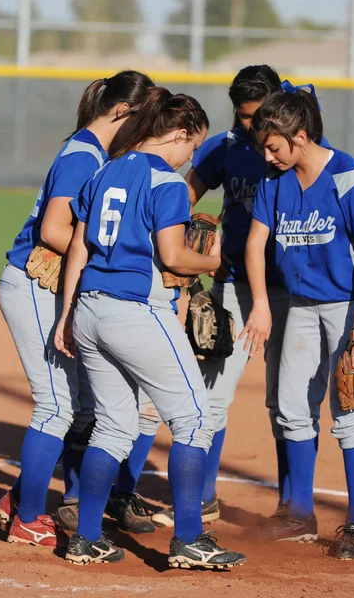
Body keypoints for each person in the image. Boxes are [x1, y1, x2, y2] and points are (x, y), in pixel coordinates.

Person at [109, 65, 329, 531]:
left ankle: (293, 507)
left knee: (289, 404)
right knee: (209, 396)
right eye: (242, 115)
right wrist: (182, 244)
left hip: (293, 292)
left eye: (257, 115)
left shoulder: (290, 153)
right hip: (232, 285)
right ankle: (203, 498)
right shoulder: (225, 148)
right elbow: (183, 193)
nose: (249, 125)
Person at [54, 87, 247, 568]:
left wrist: (67, 315)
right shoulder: (165, 182)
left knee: (113, 427)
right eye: (192, 145)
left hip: (91, 310)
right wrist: (217, 257)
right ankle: (189, 541)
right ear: (178, 134)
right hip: (135, 310)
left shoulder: (106, 169)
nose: (190, 157)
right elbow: (172, 257)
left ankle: (86, 538)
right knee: (196, 420)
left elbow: (78, 248)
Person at [0, 70, 155, 548]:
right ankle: (27, 519)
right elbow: (53, 230)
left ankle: (17, 503)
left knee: (81, 407)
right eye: (142, 121)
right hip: (34, 285)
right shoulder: (84, 154)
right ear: (123, 113)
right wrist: (116, 264)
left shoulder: (95, 152)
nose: (145, 133)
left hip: (52, 287)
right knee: (57, 405)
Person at [242, 88, 354, 558]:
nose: (267, 155)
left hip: (351, 302)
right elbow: (255, 243)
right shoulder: (274, 179)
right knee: (290, 405)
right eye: (263, 147)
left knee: (348, 409)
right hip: (303, 303)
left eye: (274, 146)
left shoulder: (346, 174)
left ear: (301, 136)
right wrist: (262, 304)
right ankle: (299, 515)